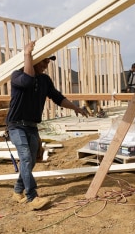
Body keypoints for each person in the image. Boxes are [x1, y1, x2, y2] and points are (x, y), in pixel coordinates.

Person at [7, 41, 89, 210]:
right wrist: (27, 54)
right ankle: (32, 197)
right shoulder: (17, 76)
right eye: (44, 61)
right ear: (34, 60)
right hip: (16, 126)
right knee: (26, 158)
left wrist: (75, 107)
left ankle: (17, 191)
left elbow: (58, 97)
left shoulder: (44, 80)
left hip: (31, 126)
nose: (46, 65)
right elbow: (28, 81)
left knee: (31, 161)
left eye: (48, 62)